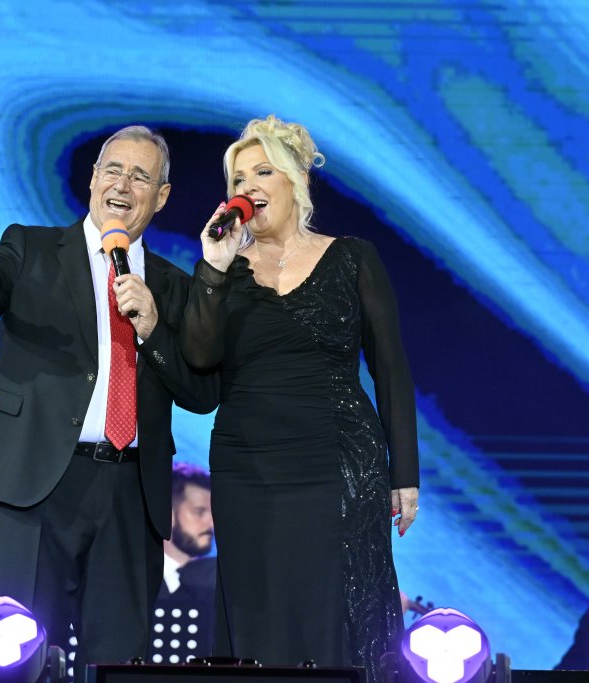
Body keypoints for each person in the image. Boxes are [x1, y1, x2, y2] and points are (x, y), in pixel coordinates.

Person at [0, 125, 218, 681]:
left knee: (117, 660)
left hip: (132, 491)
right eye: (113, 170)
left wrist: (153, 329)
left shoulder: (172, 286)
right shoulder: (31, 247)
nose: (122, 185)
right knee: (15, 656)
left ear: (161, 196)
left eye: (140, 177)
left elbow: (202, 393)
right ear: (92, 179)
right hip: (36, 482)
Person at [178, 115, 419, 681]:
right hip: (248, 466)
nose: (248, 187)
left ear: (297, 181)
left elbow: (390, 367)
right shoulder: (223, 270)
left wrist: (404, 473)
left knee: (336, 612)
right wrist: (213, 269)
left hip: (338, 460)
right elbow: (199, 356)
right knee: (259, 612)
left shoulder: (353, 258)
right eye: (238, 179)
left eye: (262, 172)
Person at [159, 461, 215, 602]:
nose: (212, 524)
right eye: (199, 512)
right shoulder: (135, 579)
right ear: (168, 515)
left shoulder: (219, 581)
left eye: (214, 514)